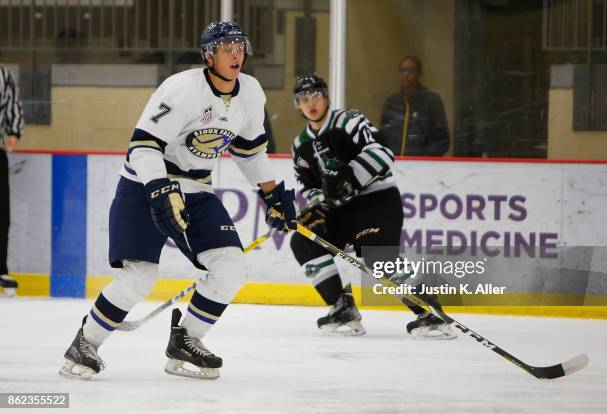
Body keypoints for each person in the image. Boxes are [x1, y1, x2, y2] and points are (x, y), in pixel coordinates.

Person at [59, 21, 296, 380]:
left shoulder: (251, 92)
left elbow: (249, 152)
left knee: (231, 266)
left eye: (240, 47)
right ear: (208, 55)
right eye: (226, 47)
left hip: (197, 188)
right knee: (139, 276)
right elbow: (143, 146)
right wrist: (158, 189)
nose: (235, 54)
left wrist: (271, 194)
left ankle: (186, 339)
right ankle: (86, 342)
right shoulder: (182, 88)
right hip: (143, 184)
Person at [289, 73, 455, 339]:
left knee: (377, 256)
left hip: (376, 202)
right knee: (303, 240)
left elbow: (382, 152)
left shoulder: (349, 120)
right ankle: (342, 308)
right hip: (342, 212)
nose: (311, 103)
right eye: (304, 99)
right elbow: (310, 187)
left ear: (326, 96)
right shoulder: (300, 146)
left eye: (316, 96)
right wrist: (316, 207)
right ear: (297, 104)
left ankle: (427, 310)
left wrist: (349, 177)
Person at [379, 56, 450, 156]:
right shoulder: (392, 102)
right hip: (395, 164)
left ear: (419, 73)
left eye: (411, 70)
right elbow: (382, 136)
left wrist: (424, 160)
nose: (406, 74)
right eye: (403, 70)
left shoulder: (431, 101)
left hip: (422, 167)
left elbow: (442, 140)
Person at [0, 66, 24, 297]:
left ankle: (1, 268)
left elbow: (12, 105)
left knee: (2, 214)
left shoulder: (3, 75)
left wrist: (13, 132)